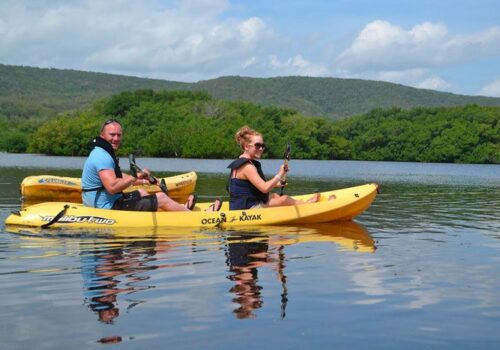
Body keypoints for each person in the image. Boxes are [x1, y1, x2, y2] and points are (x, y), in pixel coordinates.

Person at [82, 119, 221, 211]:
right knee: (160, 197)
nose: (116, 138)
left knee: (142, 192)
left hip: (106, 202)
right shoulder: (102, 157)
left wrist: (142, 180)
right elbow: (112, 187)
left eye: (119, 135)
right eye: (112, 135)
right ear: (102, 136)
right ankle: (196, 217)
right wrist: (132, 177)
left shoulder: (102, 152)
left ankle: (179, 209)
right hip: (106, 208)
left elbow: (118, 176)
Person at [227, 125, 320, 210]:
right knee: (285, 199)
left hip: (243, 205)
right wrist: (280, 173)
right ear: (247, 146)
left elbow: (251, 185)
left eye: (262, 146)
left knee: (274, 196)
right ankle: (309, 206)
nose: (261, 149)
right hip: (246, 210)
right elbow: (264, 188)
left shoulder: (241, 161)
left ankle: (303, 203)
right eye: (257, 145)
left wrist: (276, 184)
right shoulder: (247, 166)